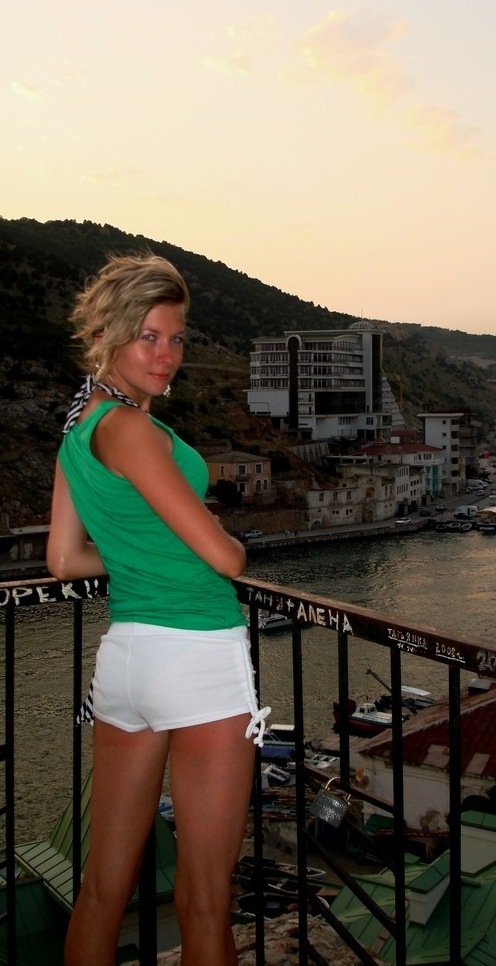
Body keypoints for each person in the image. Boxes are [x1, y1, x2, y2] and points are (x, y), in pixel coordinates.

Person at [47, 252, 270, 966]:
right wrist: (225, 541)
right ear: (108, 335)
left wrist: (139, 558)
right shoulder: (134, 431)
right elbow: (226, 559)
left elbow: (63, 560)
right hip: (197, 657)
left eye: (175, 339)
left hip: (126, 664)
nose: (166, 355)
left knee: (101, 890)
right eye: (148, 336)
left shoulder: (79, 431)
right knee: (205, 902)